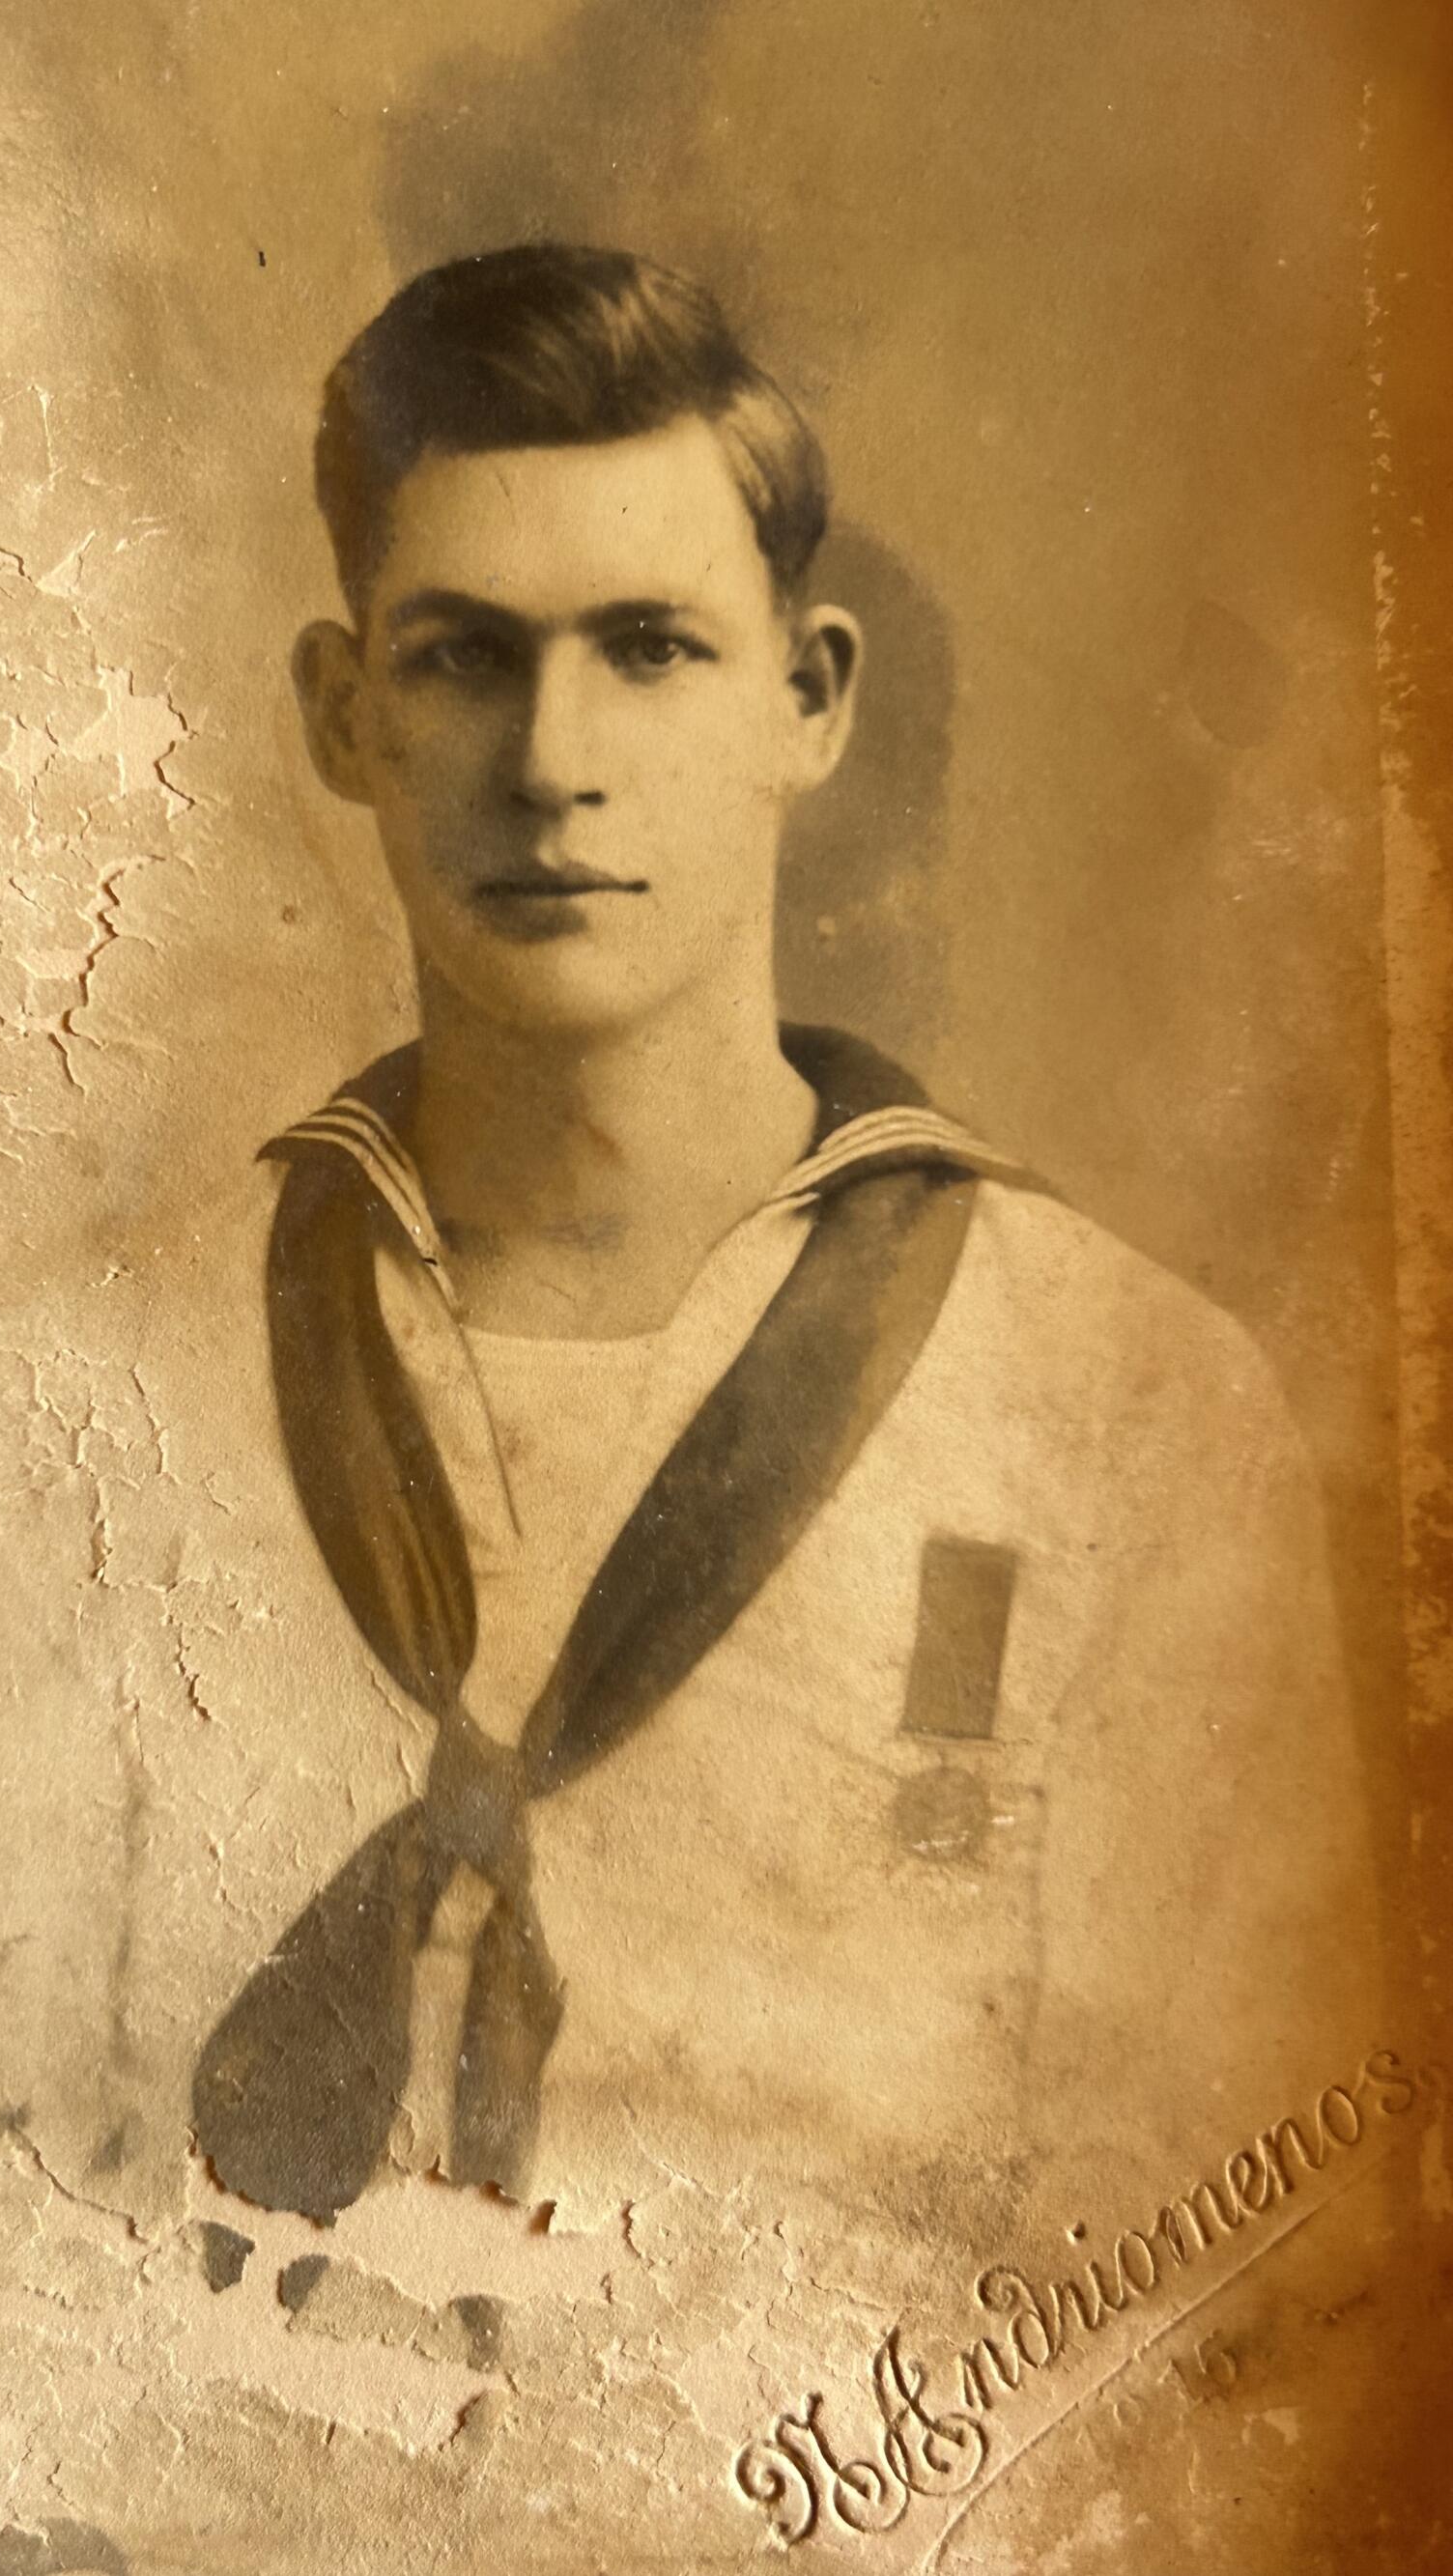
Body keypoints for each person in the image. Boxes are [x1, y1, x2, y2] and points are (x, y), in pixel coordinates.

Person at [184, 243, 1378, 2296]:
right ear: (340, 711)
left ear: (809, 700)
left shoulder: (1123, 1405)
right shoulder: (80, 1389)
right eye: (464, 656)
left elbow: (1258, 2299)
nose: (552, 758)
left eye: (648, 648)